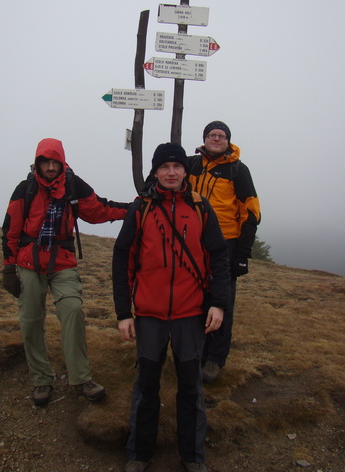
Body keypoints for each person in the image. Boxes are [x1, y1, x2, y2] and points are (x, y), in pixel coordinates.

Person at [113, 143, 231, 472]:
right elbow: (122, 258)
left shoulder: (200, 207)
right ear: (155, 171)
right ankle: (139, 453)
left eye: (176, 166)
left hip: (191, 314)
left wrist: (219, 304)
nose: (171, 172)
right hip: (149, 315)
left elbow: (219, 257)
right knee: (146, 385)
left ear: (184, 171)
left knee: (191, 386)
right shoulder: (141, 209)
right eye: (164, 167)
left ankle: (193, 457)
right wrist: (124, 312)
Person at [1, 137, 128, 406]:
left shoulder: (73, 186)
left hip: (62, 262)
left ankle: (81, 378)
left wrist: (133, 209)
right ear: (37, 163)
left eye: (54, 162)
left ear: (62, 162)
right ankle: (41, 380)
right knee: (31, 320)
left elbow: (99, 210)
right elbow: (10, 230)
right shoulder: (25, 189)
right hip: (28, 263)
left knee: (72, 310)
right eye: (45, 162)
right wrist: (8, 269)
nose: (49, 167)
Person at [187, 121, 261, 383]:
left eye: (221, 135)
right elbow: (166, 171)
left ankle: (215, 359)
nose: (216, 138)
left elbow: (251, 213)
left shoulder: (238, 170)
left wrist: (242, 255)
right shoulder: (192, 165)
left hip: (226, 244)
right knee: (195, 298)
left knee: (221, 300)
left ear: (228, 141)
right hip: (193, 241)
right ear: (204, 138)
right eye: (211, 134)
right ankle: (197, 351)